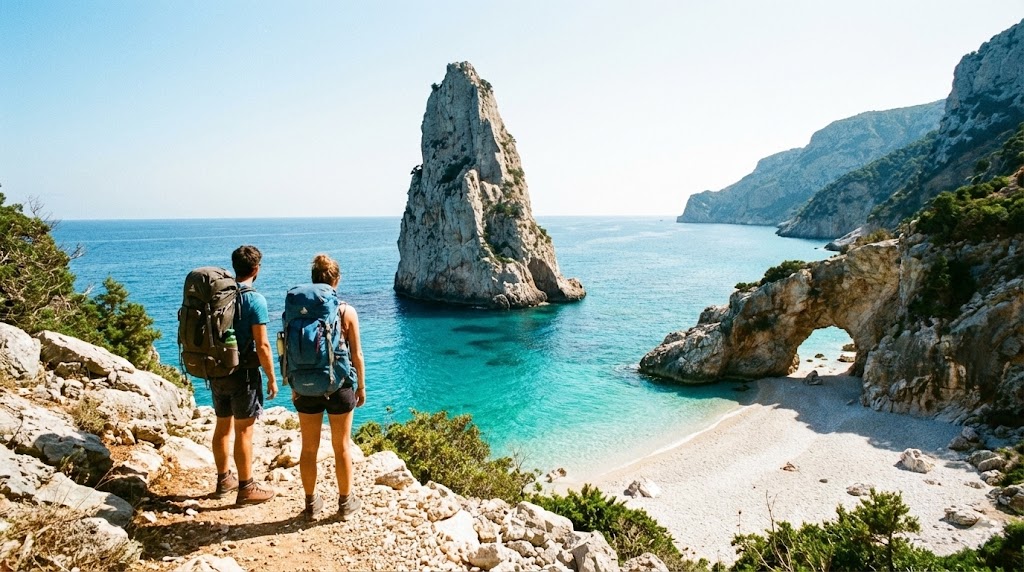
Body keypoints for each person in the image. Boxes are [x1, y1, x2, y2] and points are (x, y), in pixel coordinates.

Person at [292, 253, 366, 520]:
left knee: (308, 448)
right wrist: (362, 387)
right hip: (339, 386)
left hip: (304, 385)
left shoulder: (296, 308)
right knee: (342, 446)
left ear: (314, 280)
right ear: (337, 279)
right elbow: (356, 355)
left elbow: (288, 349)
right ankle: (345, 504)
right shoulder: (346, 311)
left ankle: (311, 505)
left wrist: (293, 381)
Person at [211, 245, 278, 505]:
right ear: (256, 269)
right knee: (244, 431)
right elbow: (262, 345)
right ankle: (246, 487)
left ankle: (222, 479)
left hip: (217, 370)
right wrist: (272, 377)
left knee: (222, 426)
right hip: (244, 375)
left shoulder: (219, 295)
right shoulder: (254, 300)